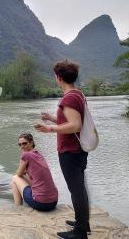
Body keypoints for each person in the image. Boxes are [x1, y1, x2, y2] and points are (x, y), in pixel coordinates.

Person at [35, 60, 91, 239]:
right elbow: (71, 122)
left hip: (70, 151)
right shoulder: (77, 94)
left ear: (59, 78)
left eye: (55, 76)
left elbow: (75, 125)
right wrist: (52, 118)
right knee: (79, 188)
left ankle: (80, 232)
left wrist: (49, 129)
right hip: (77, 150)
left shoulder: (69, 97)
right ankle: (82, 222)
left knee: (76, 189)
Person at [11, 132, 58, 212]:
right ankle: (19, 206)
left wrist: (22, 171)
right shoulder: (38, 154)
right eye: (20, 145)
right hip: (53, 202)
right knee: (24, 177)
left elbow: (18, 174)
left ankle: (18, 208)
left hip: (41, 204)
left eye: (24, 143)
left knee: (14, 179)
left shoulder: (26, 155)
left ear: (31, 142)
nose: (22, 146)